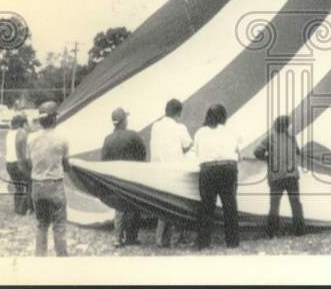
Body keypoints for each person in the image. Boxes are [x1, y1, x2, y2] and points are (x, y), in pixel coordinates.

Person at [193, 104, 243, 249]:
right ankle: (232, 242)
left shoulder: (200, 132)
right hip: (228, 168)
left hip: (208, 169)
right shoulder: (231, 131)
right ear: (224, 117)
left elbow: (196, 153)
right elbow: (238, 153)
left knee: (206, 207)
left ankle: (203, 243)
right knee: (230, 206)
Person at [26, 101, 70, 257]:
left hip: (37, 185)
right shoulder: (62, 139)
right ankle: (62, 259)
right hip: (55, 185)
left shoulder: (31, 138)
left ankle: (40, 258)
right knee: (59, 226)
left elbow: (28, 161)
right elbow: (65, 163)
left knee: (42, 225)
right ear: (54, 118)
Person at [149, 98, 193, 247]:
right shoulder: (180, 128)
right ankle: (175, 237)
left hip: (157, 169)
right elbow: (188, 146)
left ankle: (160, 238)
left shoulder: (155, 126)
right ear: (178, 113)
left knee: (163, 204)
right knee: (178, 203)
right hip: (174, 170)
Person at [101, 107, 147, 247]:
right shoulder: (133, 135)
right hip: (132, 176)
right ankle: (131, 238)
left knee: (119, 209)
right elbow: (142, 154)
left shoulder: (108, 139)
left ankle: (117, 239)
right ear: (124, 121)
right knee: (134, 207)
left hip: (115, 178)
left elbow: (104, 161)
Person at [254, 115, 305, 238]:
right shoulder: (292, 138)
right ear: (287, 126)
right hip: (292, 176)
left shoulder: (270, 138)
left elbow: (257, 152)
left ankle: (271, 233)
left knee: (274, 204)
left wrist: (268, 158)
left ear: (276, 125)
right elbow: (298, 152)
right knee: (295, 203)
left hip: (276, 177)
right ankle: (299, 231)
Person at [4, 114, 31, 215]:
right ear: (23, 124)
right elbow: (24, 154)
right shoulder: (23, 133)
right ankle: (27, 208)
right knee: (30, 183)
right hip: (18, 163)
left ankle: (18, 208)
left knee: (18, 187)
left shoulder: (9, 134)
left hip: (9, 163)